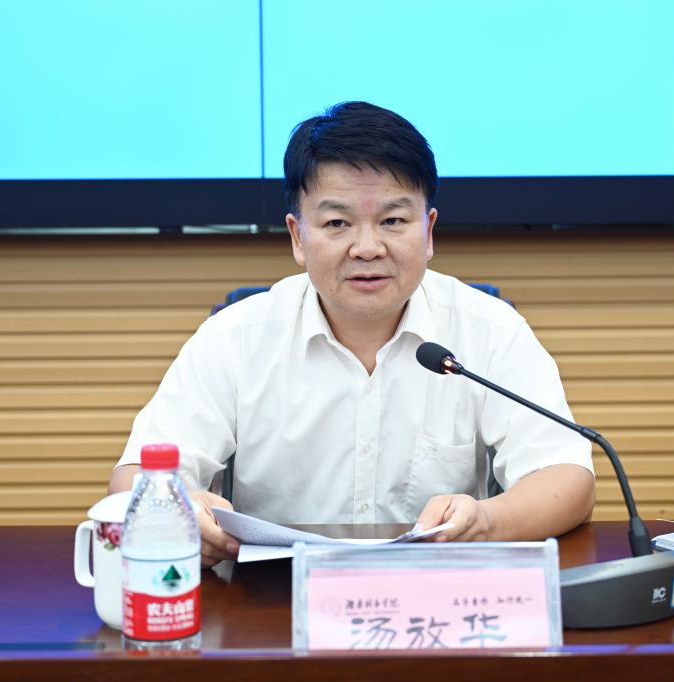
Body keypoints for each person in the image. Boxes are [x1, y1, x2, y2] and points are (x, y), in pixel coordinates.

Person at [109, 101, 595, 566]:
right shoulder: (235, 338)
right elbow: (133, 481)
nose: (367, 247)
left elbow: (566, 478)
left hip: (438, 594)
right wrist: (181, 512)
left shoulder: (489, 330)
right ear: (298, 237)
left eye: (392, 220)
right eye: (337, 222)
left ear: (428, 232)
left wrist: (486, 520)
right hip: (272, 600)